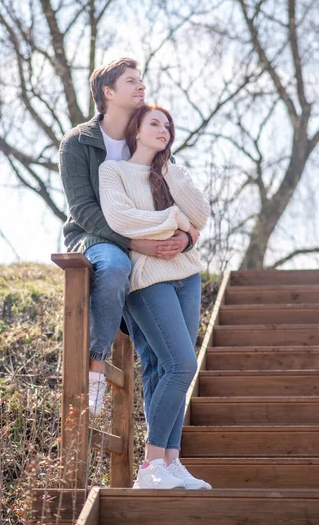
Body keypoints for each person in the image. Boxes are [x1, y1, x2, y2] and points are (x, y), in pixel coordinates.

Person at [59, 58, 193, 417]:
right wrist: (134, 243)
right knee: (116, 266)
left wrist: (185, 239)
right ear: (108, 92)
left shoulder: (149, 139)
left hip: (150, 248)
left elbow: (177, 200)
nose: (141, 87)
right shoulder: (78, 142)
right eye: (132, 81)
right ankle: (96, 366)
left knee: (156, 356)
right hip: (94, 238)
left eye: (142, 81)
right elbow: (83, 210)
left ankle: (159, 461)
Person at [99, 104, 212, 490]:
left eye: (168, 125)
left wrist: (169, 175)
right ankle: (150, 468)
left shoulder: (173, 172)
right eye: (155, 123)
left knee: (168, 371)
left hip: (187, 274)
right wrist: (174, 222)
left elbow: (201, 214)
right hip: (148, 279)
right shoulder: (113, 171)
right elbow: (121, 218)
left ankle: (171, 462)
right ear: (136, 130)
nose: (164, 129)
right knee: (182, 365)